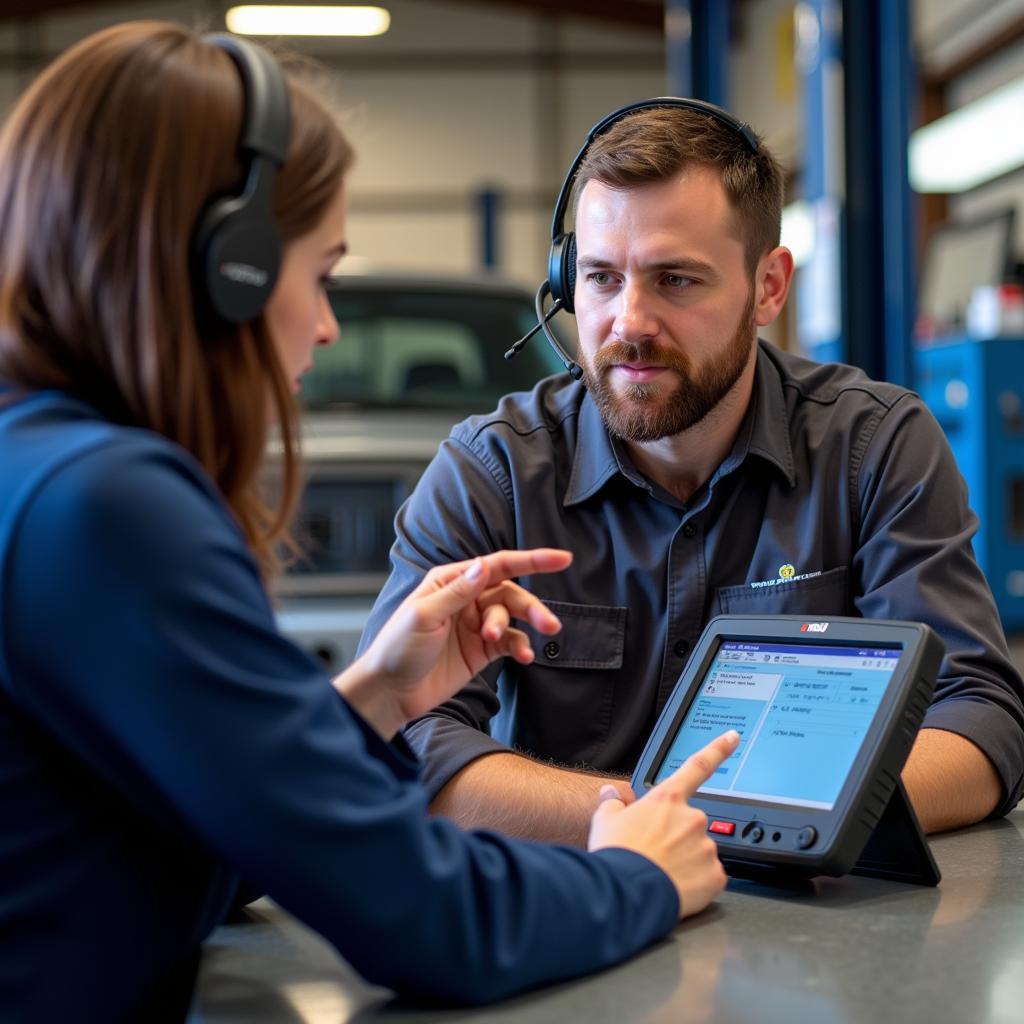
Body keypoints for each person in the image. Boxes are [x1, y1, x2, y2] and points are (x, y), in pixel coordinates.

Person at [0, 24, 745, 1022]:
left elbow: (215, 825)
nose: (324, 325)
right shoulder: (108, 507)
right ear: (231, 270)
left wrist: (374, 696)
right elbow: (426, 917)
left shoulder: (37, 463)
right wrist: (636, 871)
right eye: (321, 273)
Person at [360, 98, 1024, 845]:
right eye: (603, 279)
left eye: (675, 280)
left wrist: (746, 827)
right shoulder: (493, 472)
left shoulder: (873, 448)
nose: (630, 323)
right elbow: (405, 740)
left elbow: (978, 716)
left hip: (818, 926)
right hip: (572, 909)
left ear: (769, 287)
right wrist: (666, 821)